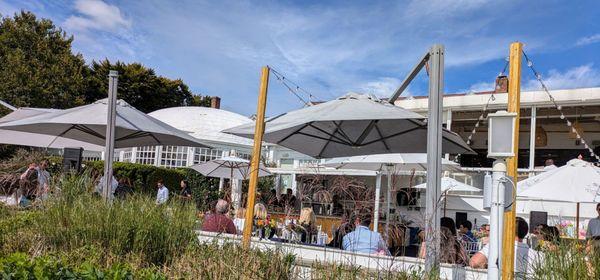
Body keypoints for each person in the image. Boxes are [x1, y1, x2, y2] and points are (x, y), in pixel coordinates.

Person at [470, 217, 542, 279]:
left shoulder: (496, 247)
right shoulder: (537, 255)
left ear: (508, 230)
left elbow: (474, 262)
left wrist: (489, 265)